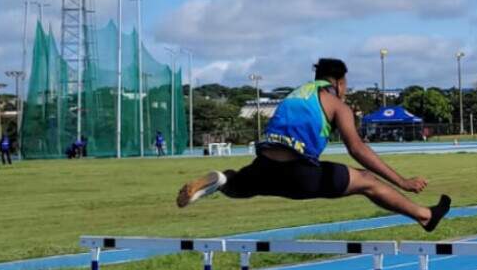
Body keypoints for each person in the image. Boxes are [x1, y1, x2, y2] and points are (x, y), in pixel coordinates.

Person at [176, 58, 451, 232]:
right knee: (368, 181)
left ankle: (221, 180)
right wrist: (402, 181)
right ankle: (425, 215)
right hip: (299, 173)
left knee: (238, 185)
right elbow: (357, 149)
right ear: (339, 83)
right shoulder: (336, 103)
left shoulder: (295, 95)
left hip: (264, 166)